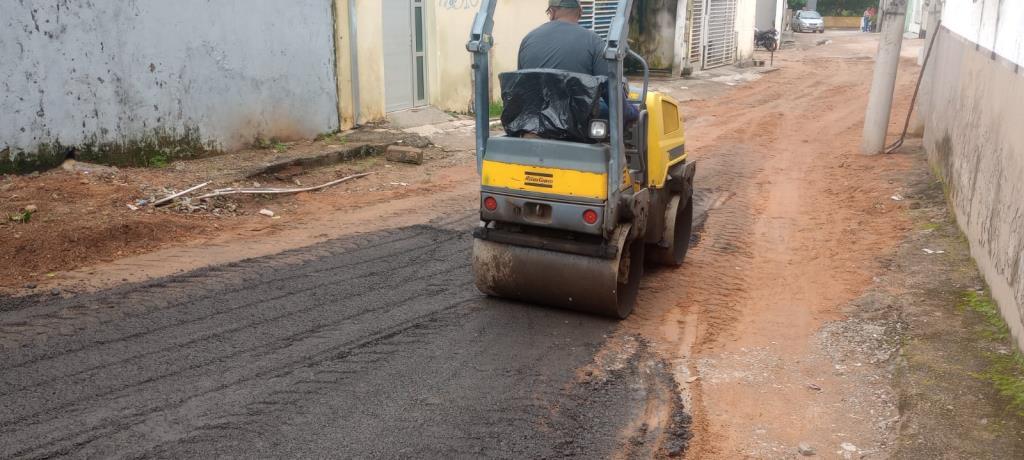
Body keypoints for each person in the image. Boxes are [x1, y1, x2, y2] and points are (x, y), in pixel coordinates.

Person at [518, 0, 639, 124]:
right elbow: (611, 91)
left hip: (534, 119)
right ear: (580, 13)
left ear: (552, 12)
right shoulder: (593, 41)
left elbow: (520, 85)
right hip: (575, 123)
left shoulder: (527, 39)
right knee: (623, 111)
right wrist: (632, 112)